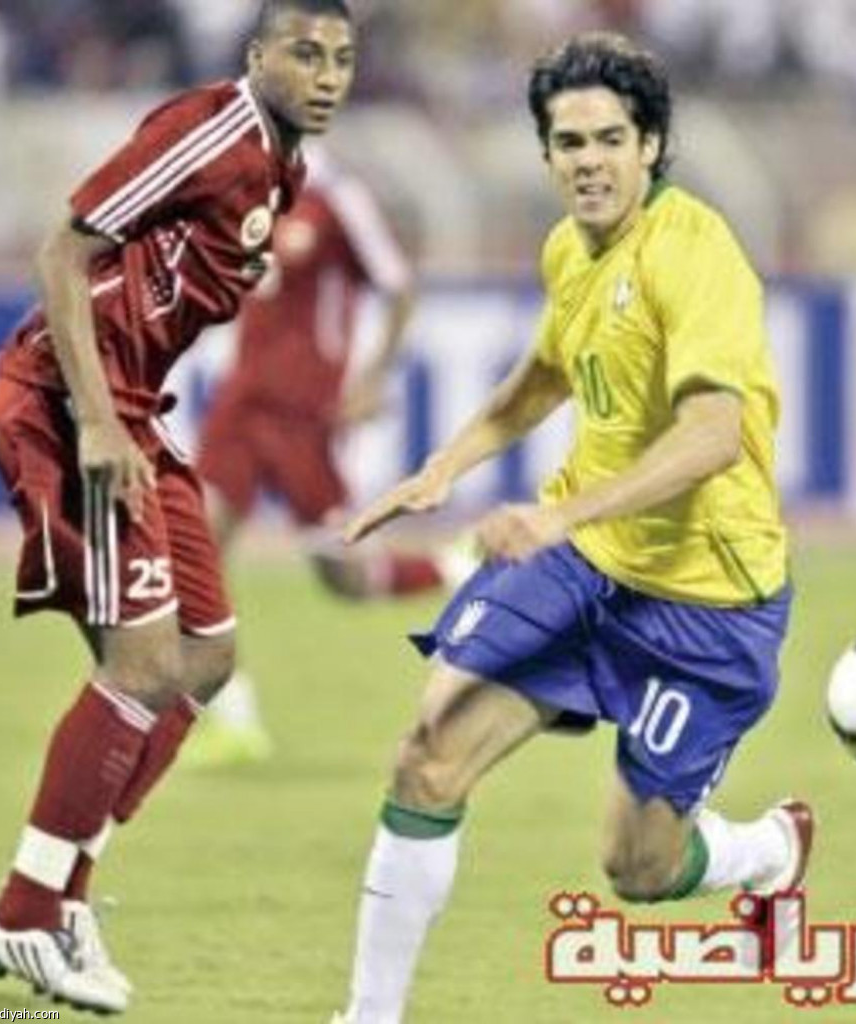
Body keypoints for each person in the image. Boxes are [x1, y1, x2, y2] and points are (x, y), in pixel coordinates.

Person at [332, 32, 814, 1024]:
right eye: (568, 142)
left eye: (609, 139)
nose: (588, 161)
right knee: (428, 752)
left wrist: (558, 513)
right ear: (546, 153)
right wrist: (444, 467)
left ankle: (767, 850)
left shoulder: (695, 253)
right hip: (585, 565)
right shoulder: (568, 248)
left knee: (639, 869)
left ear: (651, 146)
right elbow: (546, 373)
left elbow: (713, 436)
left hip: (708, 602)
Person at [0, 0, 356, 1013]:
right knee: (141, 664)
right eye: (304, 53)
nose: (326, 74)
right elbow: (63, 250)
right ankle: (21, 912)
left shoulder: (284, 168)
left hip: (137, 411)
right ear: (257, 55)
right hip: (68, 405)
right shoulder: (210, 131)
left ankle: (64, 895)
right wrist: (96, 423)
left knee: (205, 656)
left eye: (341, 58)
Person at [188, 144, 455, 766]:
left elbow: (399, 286)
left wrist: (372, 378)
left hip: (307, 415)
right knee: (194, 551)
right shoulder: (250, 190)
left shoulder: (338, 197)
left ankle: (459, 566)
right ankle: (233, 720)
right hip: (241, 404)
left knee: (345, 577)